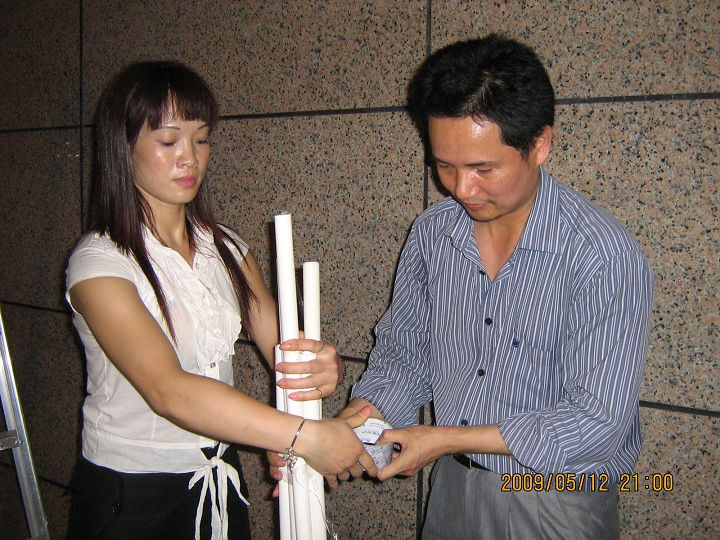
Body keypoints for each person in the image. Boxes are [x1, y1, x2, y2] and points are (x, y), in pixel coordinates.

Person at [339, 34, 655, 539]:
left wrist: (446, 438)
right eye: (444, 166)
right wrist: (355, 427)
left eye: (483, 168)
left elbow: (596, 422)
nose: (461, 189)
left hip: (557, 499)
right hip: (453, 486)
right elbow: (405, 355)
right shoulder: (434, 234)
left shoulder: (600, 255)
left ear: (540, 144)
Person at [65, 60, 377, 540]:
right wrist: (303, 437)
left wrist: (322, 366)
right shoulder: (100, 262)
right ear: (122, 147)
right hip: (131, 491)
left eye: (201, 139)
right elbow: (170, 391)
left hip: (219, 472)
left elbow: (287, 348)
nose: (189, 158)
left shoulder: (226, 248)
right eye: (168, 142)